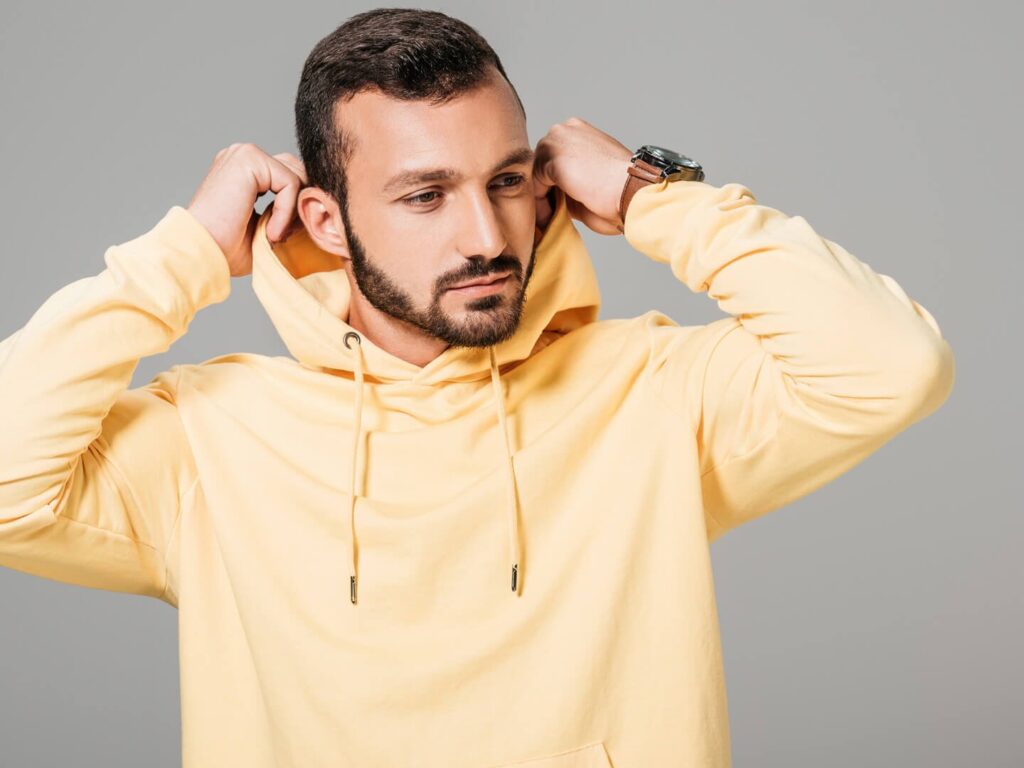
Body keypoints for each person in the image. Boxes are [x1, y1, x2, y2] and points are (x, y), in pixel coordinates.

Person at [0, 7, 955, 767]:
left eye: (505, 182)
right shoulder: (213, 440)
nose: (487, 238)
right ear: (327, 223)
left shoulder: (651, 394)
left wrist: (648, 194)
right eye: (426, 195)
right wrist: (186, 253)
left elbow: (891, 363)